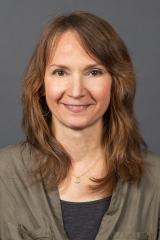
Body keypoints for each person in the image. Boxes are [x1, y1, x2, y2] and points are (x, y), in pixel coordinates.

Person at [0, 10, 160, 240]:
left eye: (94, 72)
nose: (76, 91)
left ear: (116, 84)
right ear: (41, 84)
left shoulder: (156, 180)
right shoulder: (3, 176)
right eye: (60, 72)